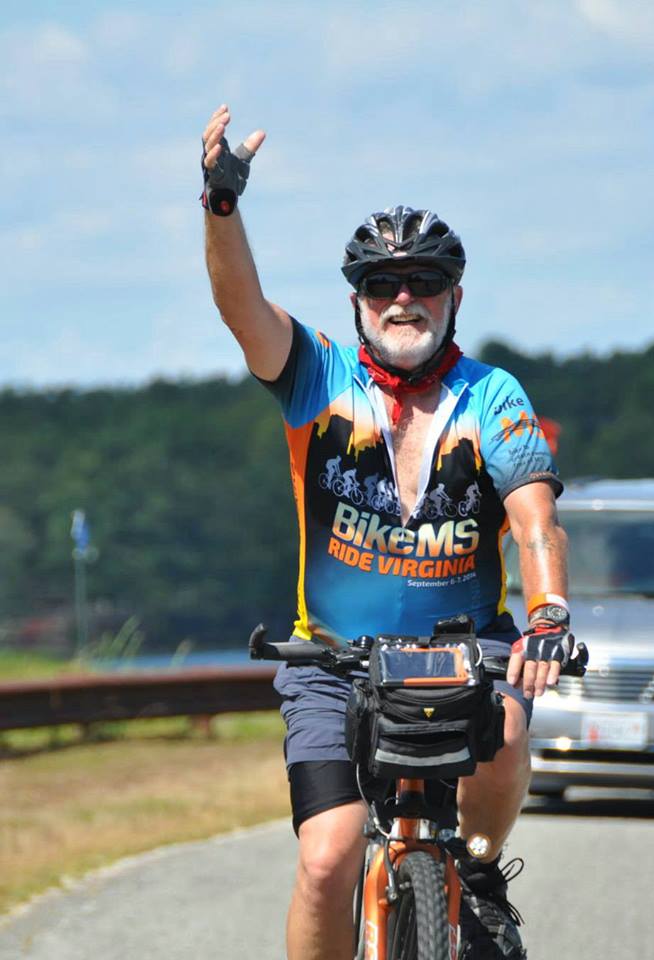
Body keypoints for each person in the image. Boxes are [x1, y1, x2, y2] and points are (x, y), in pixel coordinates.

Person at [202, 104, 574, 960]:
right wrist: (222, 206)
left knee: (510, 733)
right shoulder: (316, 375)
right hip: (332, 661)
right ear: (357, 299)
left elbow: (534, 521)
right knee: (328, 859)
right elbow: (239, 305)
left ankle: (475, 880)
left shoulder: (494, 397)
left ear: (454, 296)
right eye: (381, 284)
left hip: (463, 653)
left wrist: (548, 613)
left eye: (423, 282)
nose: (402, 299)